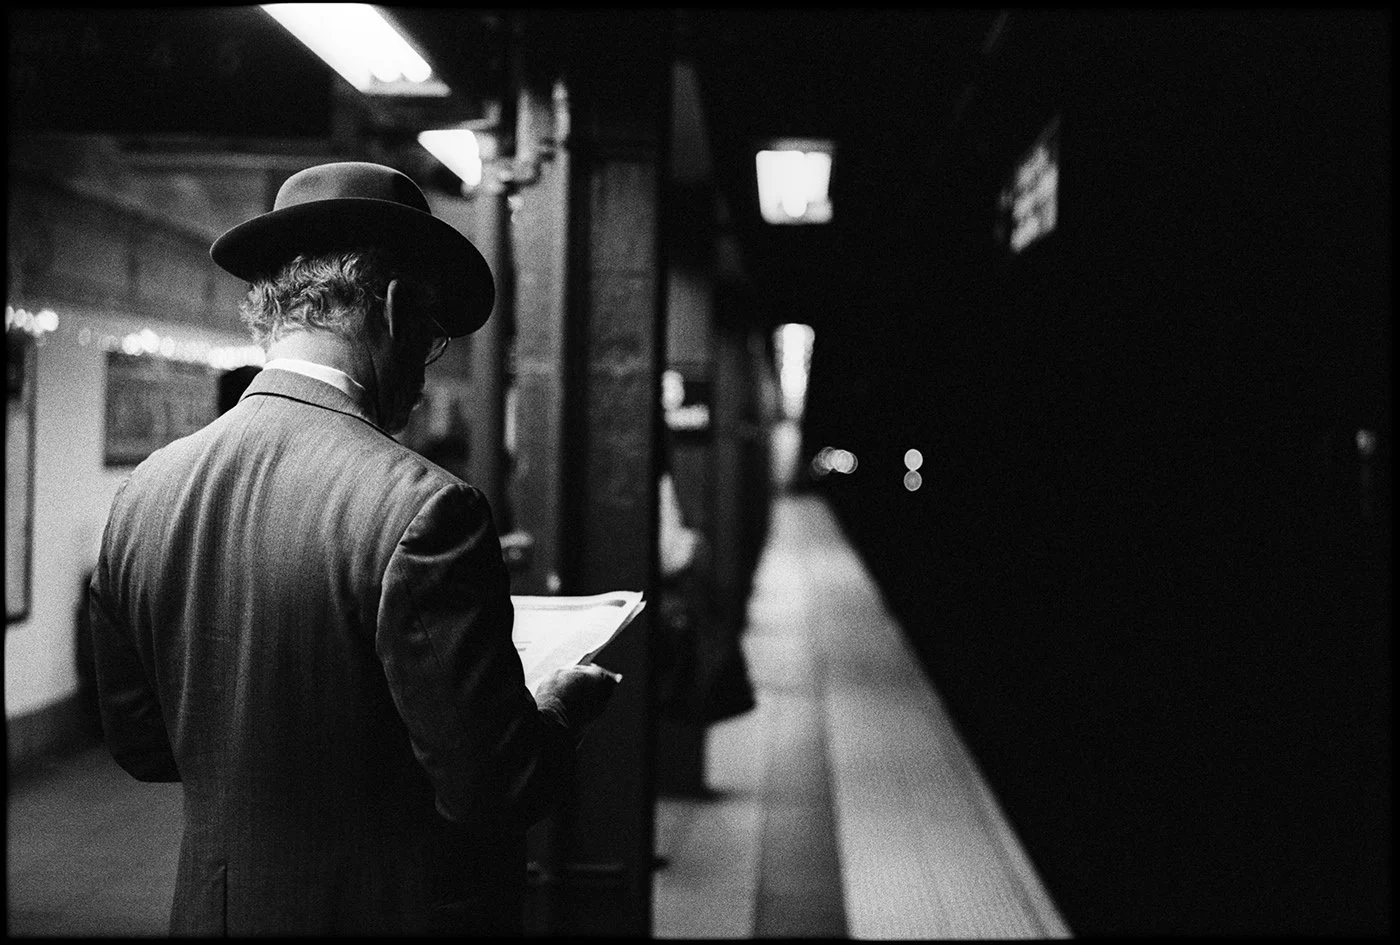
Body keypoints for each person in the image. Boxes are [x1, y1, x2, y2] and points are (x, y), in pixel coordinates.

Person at [87, 161, 619, 937]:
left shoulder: (145, 491)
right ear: (397, 309)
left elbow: (142, 743)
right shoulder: (427, 508)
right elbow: (493, 787)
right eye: (432, 336)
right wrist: (559, 706)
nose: (424, 373)